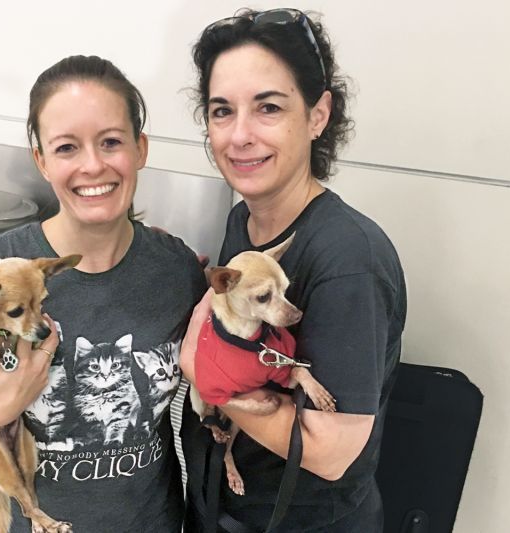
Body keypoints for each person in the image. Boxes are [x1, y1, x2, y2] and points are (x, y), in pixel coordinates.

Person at [0, 55, 207, 532]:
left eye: (111, 142)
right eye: (66, 148)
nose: (92, 165)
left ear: (140, 149)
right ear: (40, 160)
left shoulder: (175, 269)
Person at [179, 8, 407, 532]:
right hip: (227, 501)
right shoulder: (246, 220)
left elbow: (330, 452)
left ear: (317, 115)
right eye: (220, 111)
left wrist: (203, 373)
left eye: (268, 108)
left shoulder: (349, 260)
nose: (238, 136)